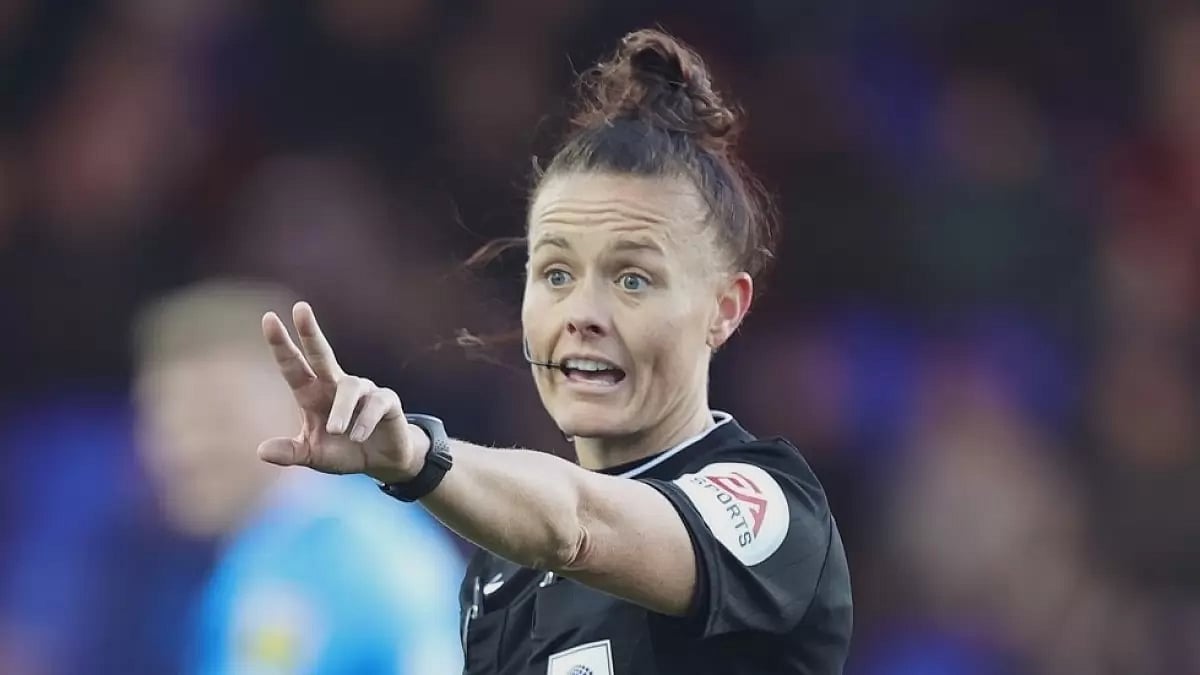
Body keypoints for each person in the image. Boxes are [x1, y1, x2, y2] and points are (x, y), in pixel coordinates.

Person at [256, 29, 853, 675]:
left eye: (633, 279)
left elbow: (577, 523)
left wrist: (417, 457)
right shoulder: (501, 572)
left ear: (724, 308)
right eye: (556, 275)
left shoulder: (774, 510)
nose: (582, 316)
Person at [133, 279, 466, 674]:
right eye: (165, 421)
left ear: (299, 409)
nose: (185, 449)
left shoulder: (344, 562)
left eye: (216, 416)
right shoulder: (272, 546)